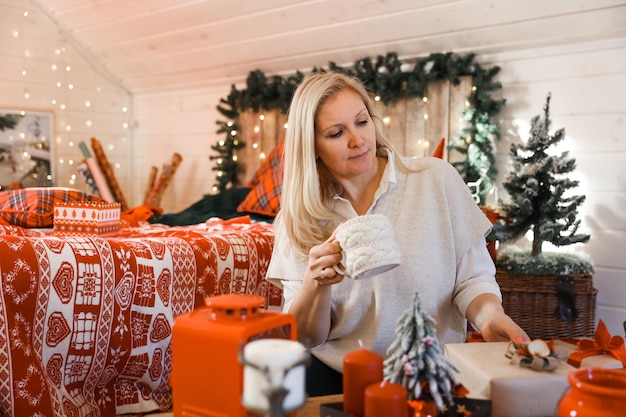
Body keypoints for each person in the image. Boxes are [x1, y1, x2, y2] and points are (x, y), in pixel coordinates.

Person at [266, 71, 529, 396]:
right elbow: (307, 337)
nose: (357, 140)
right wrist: (314, 282)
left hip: (428, 372)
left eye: (362, 122)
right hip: (338, 378)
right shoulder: (299, 217)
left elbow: (472, 280)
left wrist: (490, 318)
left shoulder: (435, 179)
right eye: (336, 133)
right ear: (312, 146)